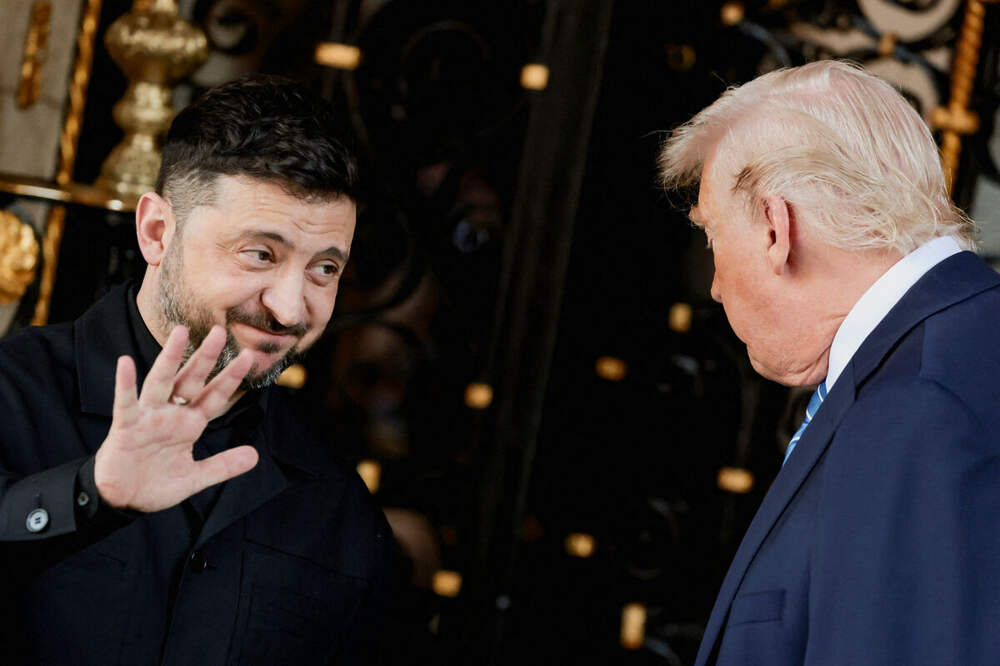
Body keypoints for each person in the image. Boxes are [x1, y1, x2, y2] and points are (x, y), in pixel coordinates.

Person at [0, 75, 392, 664]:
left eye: (324, 269)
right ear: (157, 232)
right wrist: (87, 495)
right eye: (260, 254)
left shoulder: (340, 508)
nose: (290, 309)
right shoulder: (10, 391)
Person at [660, 60, 1000, 665]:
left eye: (712, 236)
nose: (714, 286)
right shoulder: (957, 351)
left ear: (775, 228)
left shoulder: (913, 409)